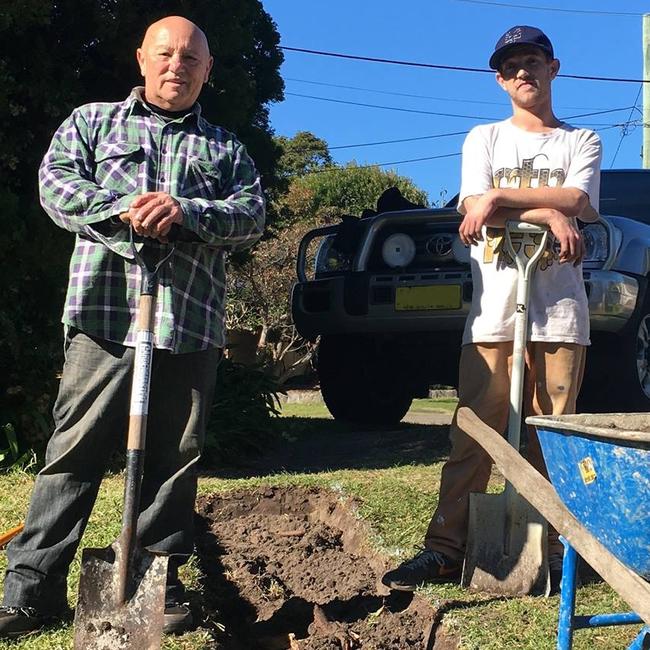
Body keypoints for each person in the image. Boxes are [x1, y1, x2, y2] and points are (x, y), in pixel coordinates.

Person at [0, 16, 265, 638]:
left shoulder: (226, 149)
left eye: (192, 58)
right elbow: (55, 185)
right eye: (166, 54)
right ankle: (31, 590)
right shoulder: (92, 122)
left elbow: (251, 215)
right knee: (74, 452)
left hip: (189, 323)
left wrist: (186, 210)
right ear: (142, 59)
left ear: (207, 69)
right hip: (104, 316)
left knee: (175, 456)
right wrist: (122, 210)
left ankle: (156, 578)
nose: (178, 66)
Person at [382, 25, 601, 592]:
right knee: (475, 434)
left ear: (554, 67)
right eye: (512, 67)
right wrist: (546, 214)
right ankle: (446, 549)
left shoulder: (581, 140)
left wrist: (507, 199)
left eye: (533, 61)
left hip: (560, 317)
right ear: (499, 80)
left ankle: (552, 552)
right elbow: (473, 210)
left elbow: (580, 201)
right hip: (494, 314)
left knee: (550, 435)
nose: (523, 72)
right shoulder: (484, 138)